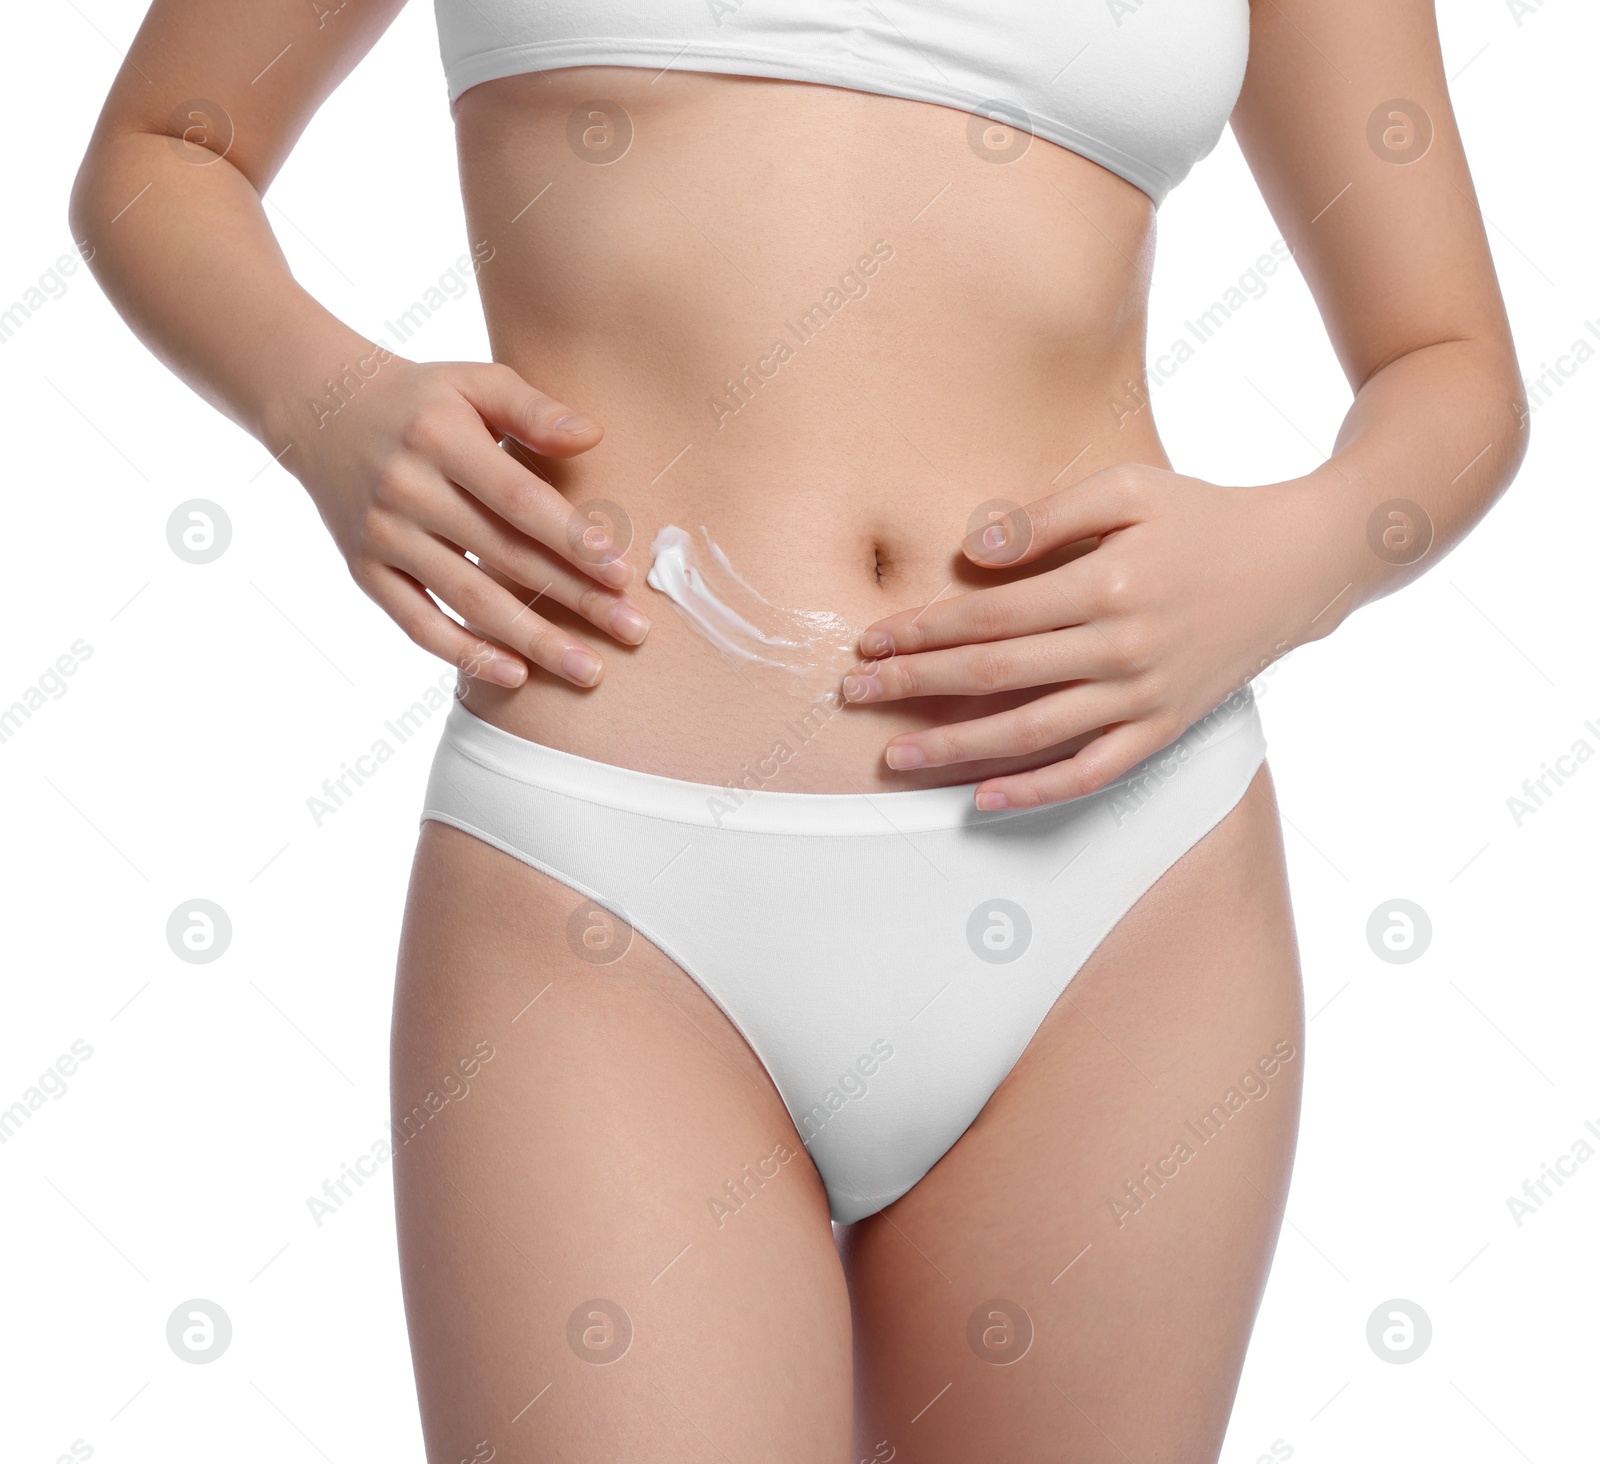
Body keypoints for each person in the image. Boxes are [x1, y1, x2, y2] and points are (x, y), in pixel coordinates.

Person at [70, 0, 1528, 1458]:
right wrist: (325, 404)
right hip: (604, 888)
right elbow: (161, 150)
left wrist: (1300, 555)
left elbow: (1450, 360)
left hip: (1122, 888)